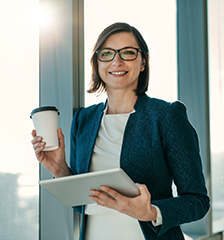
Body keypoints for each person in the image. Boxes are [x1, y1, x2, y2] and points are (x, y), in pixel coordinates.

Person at [31, 22, 210, 240]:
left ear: (143, 62)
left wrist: (151, 212)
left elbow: (198, 201)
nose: (117, 61)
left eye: (128, 53)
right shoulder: (83, 120)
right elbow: (86, 203)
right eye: (107, 53)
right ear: (97, 63)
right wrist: (60, 170)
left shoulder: (166, 116)